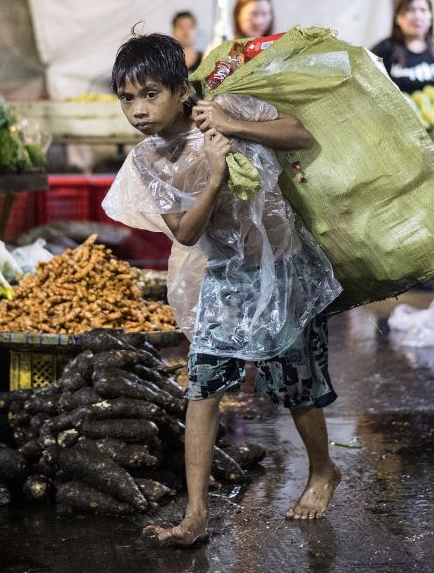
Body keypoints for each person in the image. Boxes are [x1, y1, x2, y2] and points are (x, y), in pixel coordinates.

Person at [105, 33, 342, 547]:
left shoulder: (224, 105)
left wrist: (232, 125)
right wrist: (213, 177)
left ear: (179, 89)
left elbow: (299, 134)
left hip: (282, 268)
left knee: (296, 384)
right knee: (203, 387)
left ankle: (323, 472)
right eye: (127, 98)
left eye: (151, 94)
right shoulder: (149, 159)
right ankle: (195, 515)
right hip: (228, 274)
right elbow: (186, 233)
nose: (139, 110)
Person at [371, 0, 434, 93]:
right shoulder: (384, 48)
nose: (418, 16)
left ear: (430, 16)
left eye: (423, 10)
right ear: (398, 17)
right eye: (410, 10)